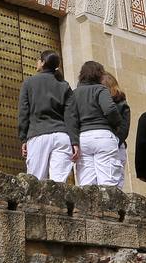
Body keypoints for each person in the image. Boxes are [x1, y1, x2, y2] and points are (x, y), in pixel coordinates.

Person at [17, 50, 77, 182]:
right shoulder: (64, 85)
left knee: (35, 181)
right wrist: (74, 141)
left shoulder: (29, 83)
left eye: (39, 59)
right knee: (59, 183)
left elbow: (23, 112)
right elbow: (71, 115)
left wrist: (23, 138)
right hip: (62, 137)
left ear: (43, 62)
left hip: (38, 136)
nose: (37, 62)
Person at [68, 60, 124, 186]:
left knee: (87, 184)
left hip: (83, 139)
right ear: (99, 74)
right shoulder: (100, 89)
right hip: (103, 136)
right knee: (108, 182)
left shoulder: (74, 93)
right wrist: (116, 124)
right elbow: (110, 109)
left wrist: (74, 141)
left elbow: (71, 118)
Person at [101, 71, 130, 188]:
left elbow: (124, 128)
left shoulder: (121, 104)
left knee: (114, 180)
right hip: (111, 143)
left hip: (115, 144)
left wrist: (114, 142)